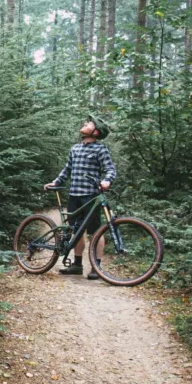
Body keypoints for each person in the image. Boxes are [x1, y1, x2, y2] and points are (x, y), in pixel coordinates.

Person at [44, 117, 117, 279]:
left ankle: (96, 267)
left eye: (88, 124)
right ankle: (77, 265)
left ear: (95, 131)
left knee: (95, 232)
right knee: (76, 230)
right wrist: (56, 182)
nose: (84, 124)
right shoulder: (75, 148)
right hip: (74, 196)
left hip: (91, 196)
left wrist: (106, 181)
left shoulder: (100, 150)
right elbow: (67, 169)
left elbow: (110, 170)